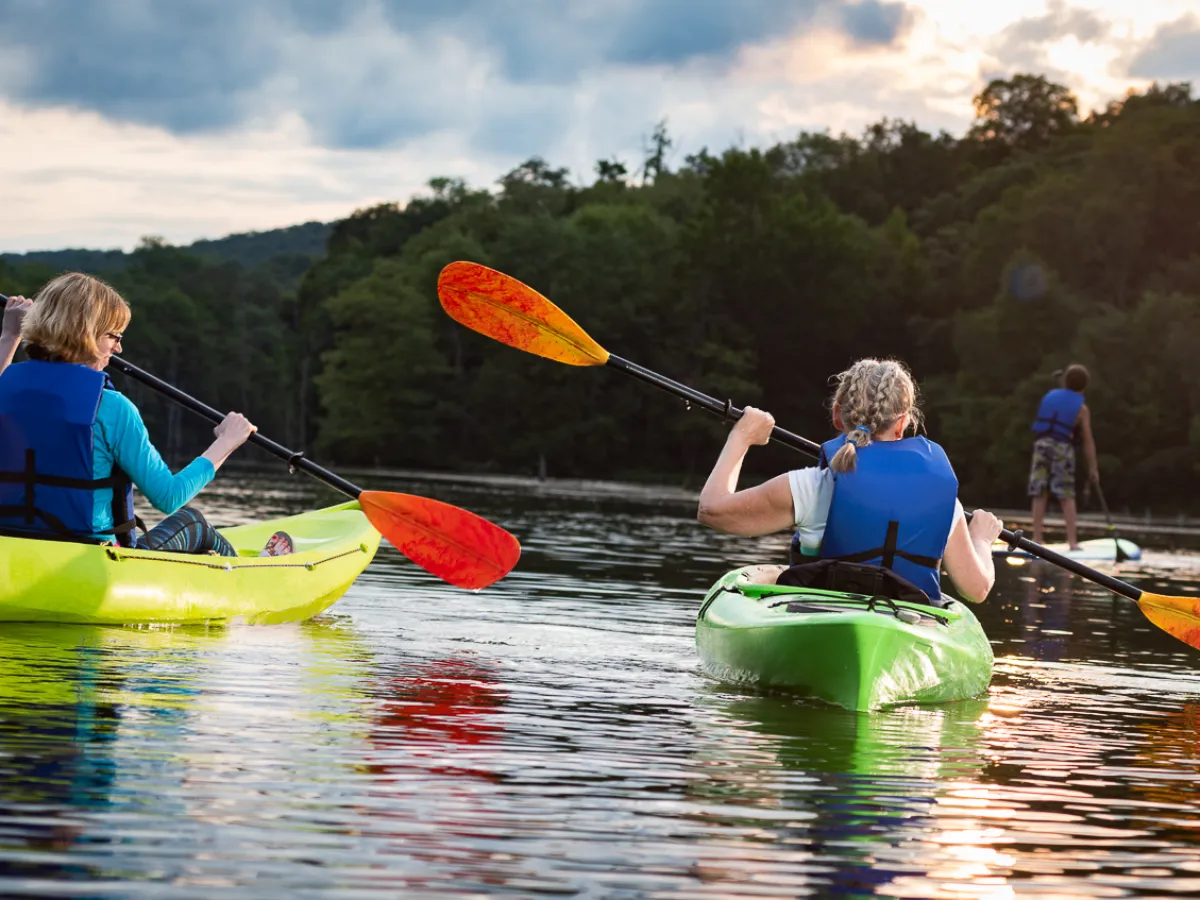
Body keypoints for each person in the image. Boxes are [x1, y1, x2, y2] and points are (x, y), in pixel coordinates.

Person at [0, 273, 292, 556]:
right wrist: (227, 442)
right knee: (193, 522)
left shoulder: (5, 387)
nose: (119, 347)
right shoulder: (112, 408)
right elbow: (168, 497)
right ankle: (248, 577)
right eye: (113, 336)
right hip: (87, 558)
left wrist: (10, 335)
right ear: (86, 335)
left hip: (13, 549)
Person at [697, 358, 1003, 604]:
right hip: (907, 627)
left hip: (820, 616)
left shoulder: (813, 487)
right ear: (902, 425)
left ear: (837, 416)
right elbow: (976, 589)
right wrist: (982, 540)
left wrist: (742, 437)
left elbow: (711, 510)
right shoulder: (945, 504)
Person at [1028, 363, 1098, 548]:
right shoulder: (1082, 408)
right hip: (1062, 448)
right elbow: (1087, 439)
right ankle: (1073, 543)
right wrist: (1093, 468)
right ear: (1084, 386)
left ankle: (1037, 538)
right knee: (1066, 495)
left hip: (1041, 445)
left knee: (1039, 491)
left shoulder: (1050, 396)